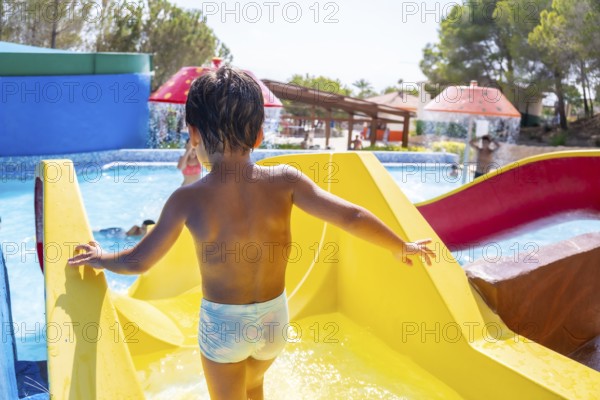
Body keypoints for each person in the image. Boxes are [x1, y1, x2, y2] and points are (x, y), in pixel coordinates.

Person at [68, 66, 435, 400]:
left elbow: (139, 261)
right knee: (254, 385)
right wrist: (399, 245)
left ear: (193, 135)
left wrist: (102, 258)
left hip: (224, 325)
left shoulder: (187, 199)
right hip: (275, 319)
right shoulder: (286, 181)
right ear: (259, 135)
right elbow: (352, 216)